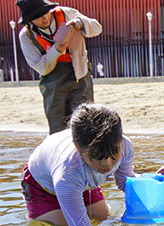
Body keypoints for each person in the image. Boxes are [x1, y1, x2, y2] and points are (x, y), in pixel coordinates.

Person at [21, 103, 164, 226]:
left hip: (80, 180)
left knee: (103, 217)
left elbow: (124, 182)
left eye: (114, 155)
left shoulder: (125, 146)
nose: (107, 165)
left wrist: (154, 182)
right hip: (43, 186)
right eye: (97, 157)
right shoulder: (68, 172)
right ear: (77, 146)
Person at [16, 0, 102, 134]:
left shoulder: (67, 13)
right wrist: (56, 50)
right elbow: (41, 68)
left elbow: (97, 28)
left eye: (46, 13)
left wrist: (79, 22)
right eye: (38, 16)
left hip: (80, 75)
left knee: (84, 124)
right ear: (29, 20)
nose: (44, 18)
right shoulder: (25, 36)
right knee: (57, 128)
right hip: (52, 81)